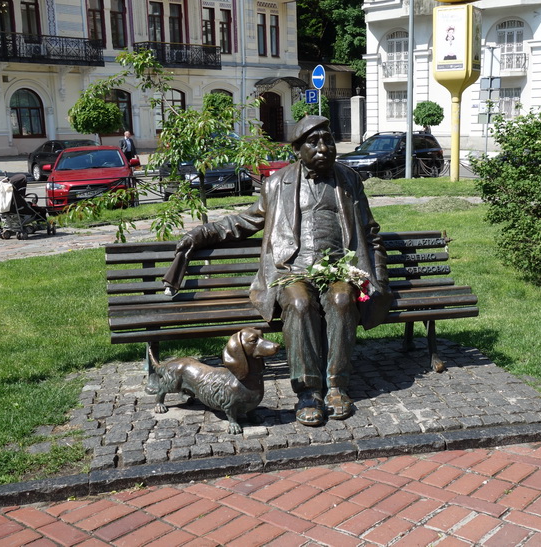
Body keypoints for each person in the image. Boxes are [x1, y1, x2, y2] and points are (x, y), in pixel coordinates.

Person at [162, 116, 392, 426]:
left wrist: (379, 279)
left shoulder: (349, 181)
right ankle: (309, 391)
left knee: (340, 300)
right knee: (299, 304)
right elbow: (243, 223)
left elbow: (370, 231)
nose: (323, 147)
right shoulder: (276, 184)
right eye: (314, 142)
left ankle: (337, 386)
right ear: (298, 149)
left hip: (341, 268)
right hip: (291, 269)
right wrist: (202, 234)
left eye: (328, 140)